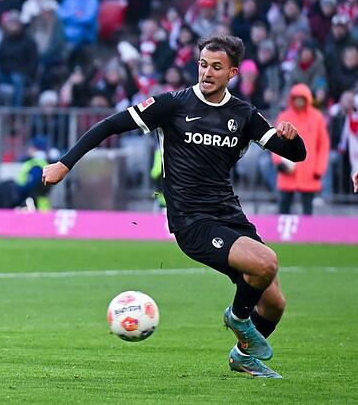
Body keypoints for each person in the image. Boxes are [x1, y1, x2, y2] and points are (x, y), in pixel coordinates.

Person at [43, 35, 307, 379]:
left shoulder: (243, 115)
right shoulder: (173, 105)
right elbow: (110, 125)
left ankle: (243, 357)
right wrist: (65, 163)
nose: (207, 73)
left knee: (274, 303)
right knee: (266, 262)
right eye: (202, 65)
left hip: (230, 216)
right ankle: (238, 319)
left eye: (216, 67)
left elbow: (296, 155)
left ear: (232, 73)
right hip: (191, 221)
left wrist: (291, 135)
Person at [272, 84, 330, 215]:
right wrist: (278, 162)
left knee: (307, 210)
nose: (298, 101)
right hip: (288, 170)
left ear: (307, 99)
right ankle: (282, 235)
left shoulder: (317, 117)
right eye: (296, 98)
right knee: (284, 208)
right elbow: (275, 141)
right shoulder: (284, 116)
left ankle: (308, 235)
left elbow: (323, 144)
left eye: (301, 98)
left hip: (309, 171)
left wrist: (319, 168)